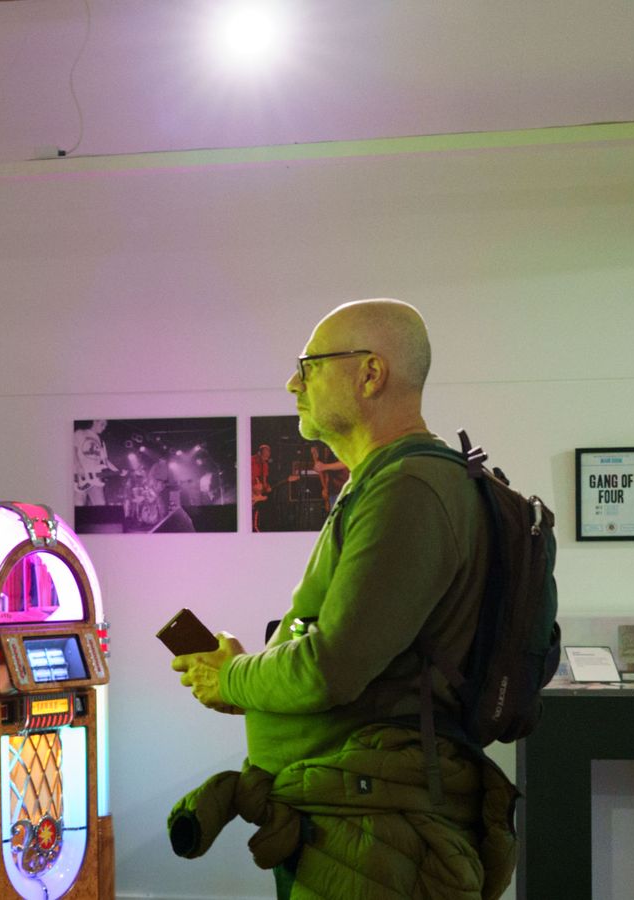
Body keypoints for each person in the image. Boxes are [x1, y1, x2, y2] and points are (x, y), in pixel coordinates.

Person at [169, 299, 515, 899]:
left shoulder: (409, 489)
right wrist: (248, 682)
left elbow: (330, 668)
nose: (293, 383)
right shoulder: (395, 482)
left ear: (370, 373)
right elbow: (360, 662)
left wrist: (231, 677)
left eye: (310, 366)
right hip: (358, 822)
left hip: (377, 842)